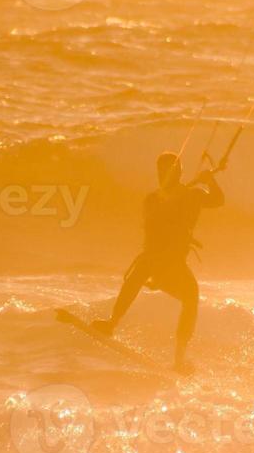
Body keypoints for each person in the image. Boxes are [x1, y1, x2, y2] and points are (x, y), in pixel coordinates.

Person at [93, 151, 224, 372]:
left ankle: (179, 360)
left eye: (169, 170)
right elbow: (153, 222)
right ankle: (111, 323)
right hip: (155, 260)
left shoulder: (192, 195)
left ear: (180, 172)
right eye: (160, 170)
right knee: (140, 272)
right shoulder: (154, 199)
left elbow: (218, 200)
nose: (163, 174)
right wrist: (179, 196)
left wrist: (208, 178)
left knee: (191, 297)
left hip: (172, 264)